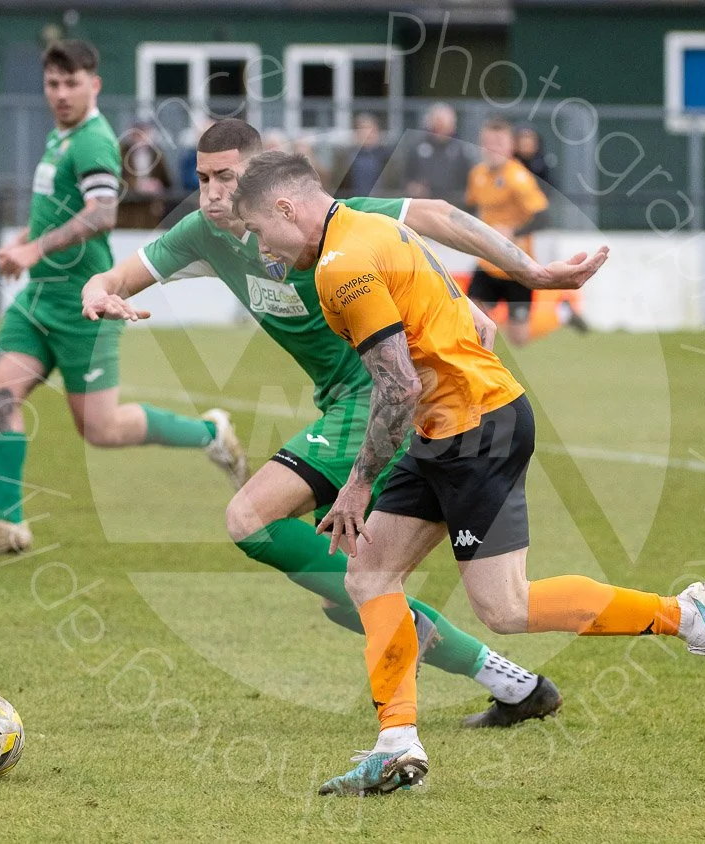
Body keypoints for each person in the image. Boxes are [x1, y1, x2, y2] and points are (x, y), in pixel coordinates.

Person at [232, 151, 705, 796]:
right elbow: (446, 306)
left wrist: (358, 484)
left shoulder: (342, 264)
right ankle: (396, 745)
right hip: (444, 428)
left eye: (257, 230)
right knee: (369, 575)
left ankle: (684, 614)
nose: (260, 248)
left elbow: (397, 387)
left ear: (286, 208)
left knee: (505, 607)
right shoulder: (370, 227)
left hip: (475, 430)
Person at [82, 118, 622, 728]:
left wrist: (530, 274)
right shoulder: (204, 234)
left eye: (226, 178)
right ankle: (514, 686)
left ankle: (422, 723)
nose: (211, 193)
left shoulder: (328, 220)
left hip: (382, 402)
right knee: (347, 595)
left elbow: (438, 216)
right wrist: (98, 292)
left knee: (251, 519)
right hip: (343, 404)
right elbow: (116, 275)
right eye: (203, 179)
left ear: (263, 177)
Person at [0, 40, 245, 562]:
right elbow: (57, 209)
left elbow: (103, 212)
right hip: (38, 300)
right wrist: (26, 239)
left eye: (72, 83)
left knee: (100, 430)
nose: (61, 93)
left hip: (84, 305)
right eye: (53, 83)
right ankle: (9, 524)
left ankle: (210, 433)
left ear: (95, 84)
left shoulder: (93, 142)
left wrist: (35, 249)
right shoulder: (60, 137)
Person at [465, 116, 551, 347]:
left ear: (510, 146)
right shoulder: (477, 175)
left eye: (498, 143)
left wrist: (513, 232)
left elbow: (543, 217)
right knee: (469, 321)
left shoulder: (519, 177)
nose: (492, 148)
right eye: (487, 143)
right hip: (488, 263)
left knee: (518, 339)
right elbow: (469, 206)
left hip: (517, 267)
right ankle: (482, 358)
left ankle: (558, 316)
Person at [401, 102, 470, 205]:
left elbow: (469, 182)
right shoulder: (417, 148)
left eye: (444, 125)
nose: (440, 129)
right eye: (437, 124)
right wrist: (413, 188)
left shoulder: (462, 150)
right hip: (424, 203)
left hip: (452, 205)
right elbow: (405, 178)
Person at [116, 120, 171, 229]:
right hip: (128, 208)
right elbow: (116, 178)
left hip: (150, 209)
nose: (141, 138)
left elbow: (166, 181)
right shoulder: (121, 152)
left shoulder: (157, 153)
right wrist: (138, 184)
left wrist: (156, 186)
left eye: (144, 133)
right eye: (137, 135)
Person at [338, 112, 390, 197]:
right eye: (363, 129)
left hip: (381, 201)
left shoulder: (387, 156)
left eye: (371, 129)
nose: (368, 133)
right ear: (356, 133)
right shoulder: (344, 157)